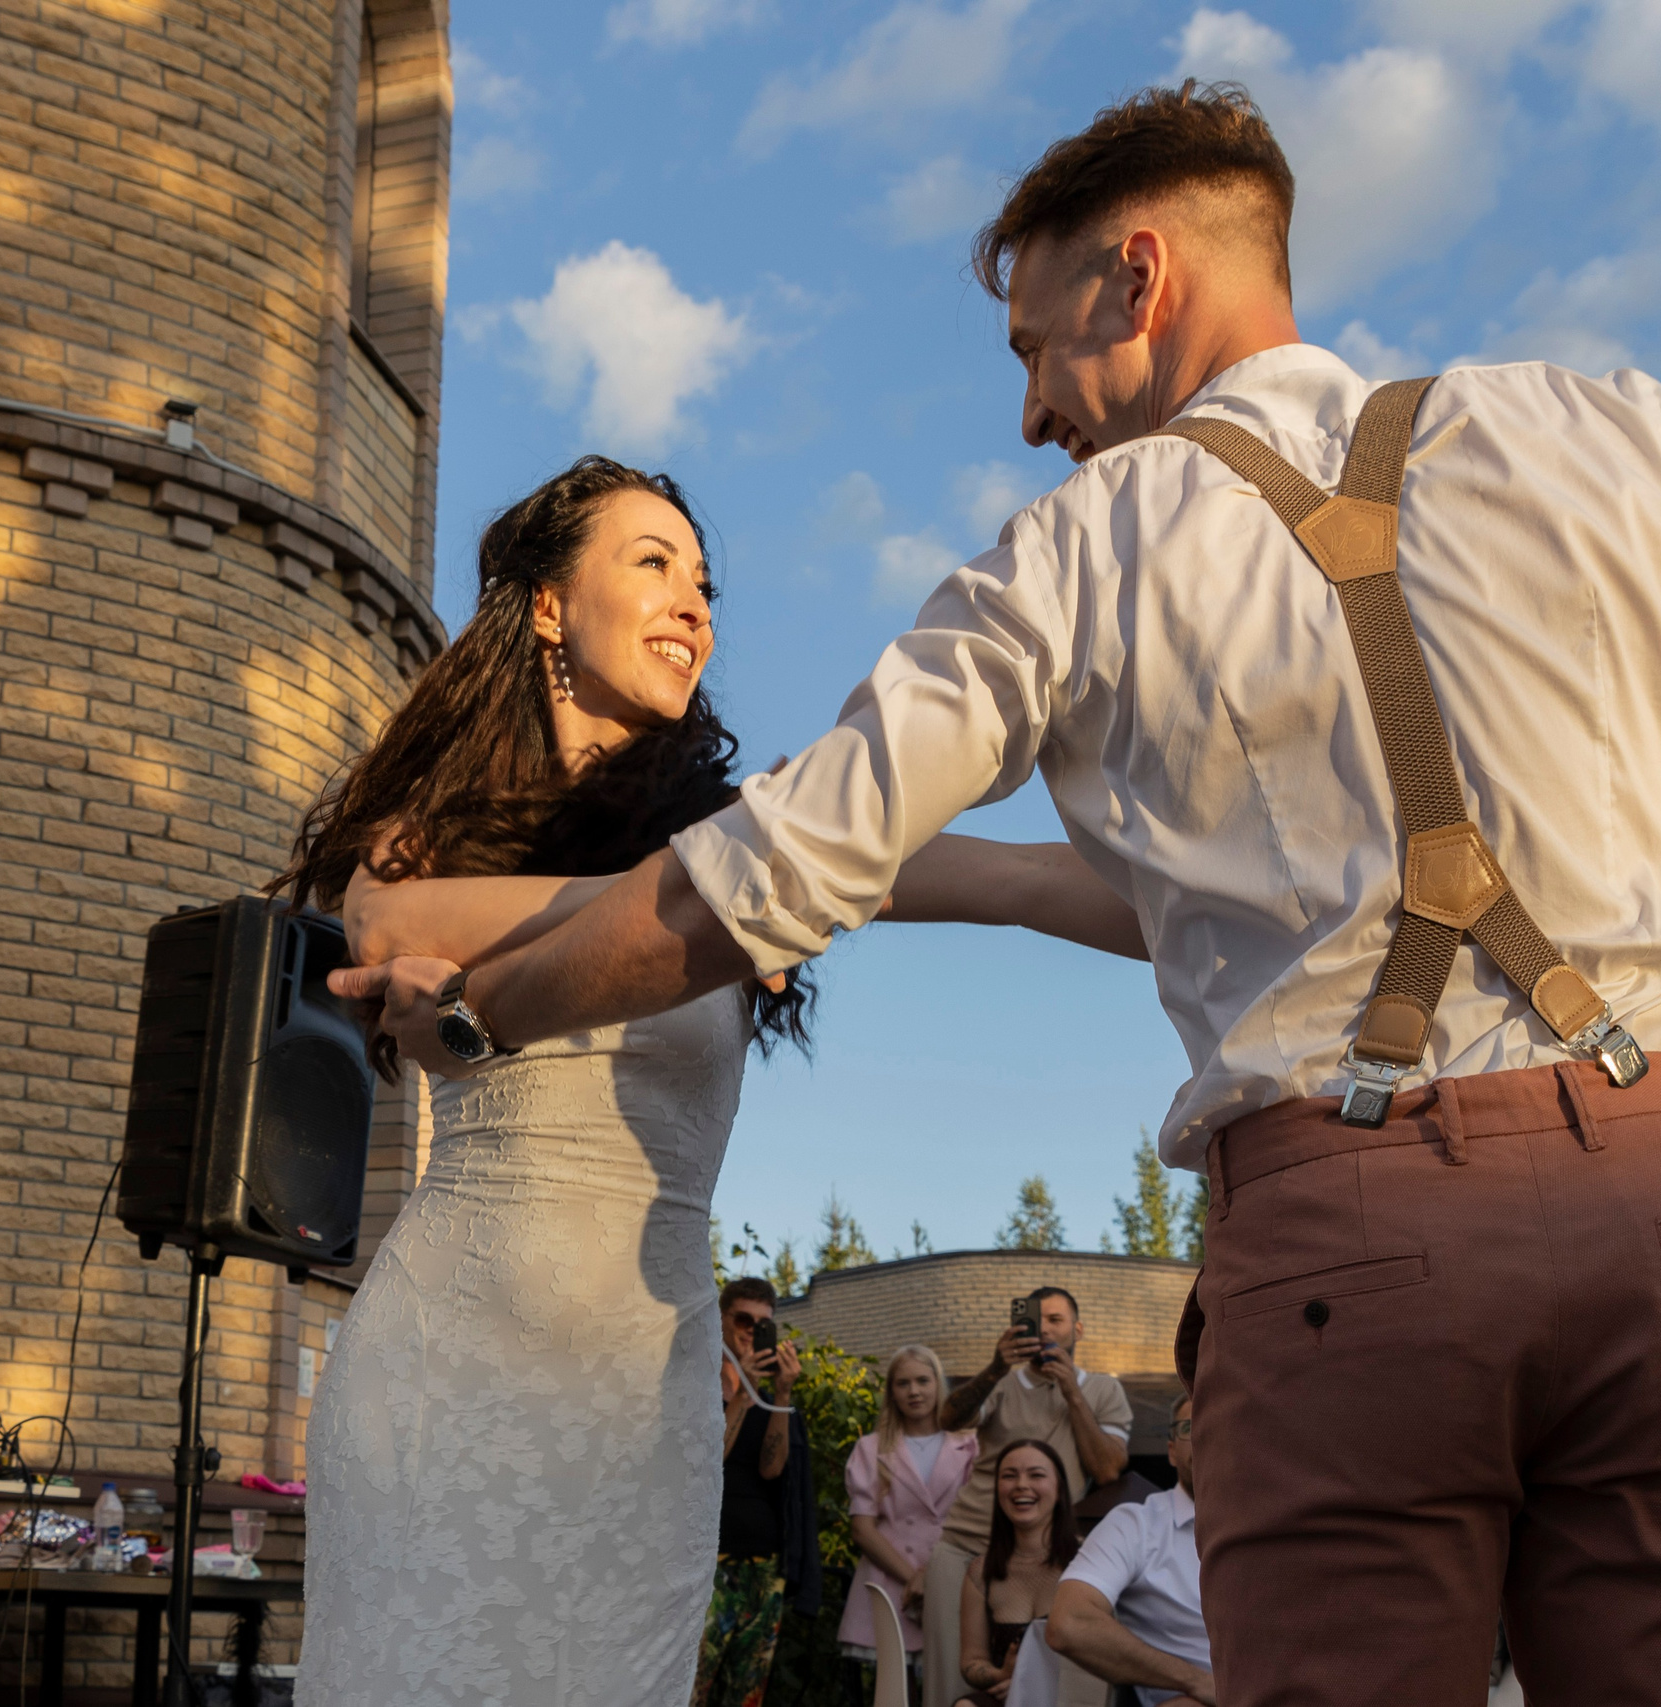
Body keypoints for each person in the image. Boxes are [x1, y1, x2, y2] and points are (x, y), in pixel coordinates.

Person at [334, 79, 1661, 1704]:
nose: (1029, 412)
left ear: (1136, 278)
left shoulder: (1084, 544)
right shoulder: (1601, 429)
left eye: (1032, 346)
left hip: (1356, 1247)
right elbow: (1126, 901)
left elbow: (784, 870)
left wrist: (486, 1005)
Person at [284, 457, 1114, 1706]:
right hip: (451, 1365)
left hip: (646, 1386)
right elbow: (389, 920)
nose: (694, 604)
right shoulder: (445, 842)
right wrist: (722, 891)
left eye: (705, 582)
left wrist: (1279, 893)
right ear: (548, 604)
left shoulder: (762, 841)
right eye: (653, 563)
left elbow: (1025, 883)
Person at [921, 1289, 1128, 1707]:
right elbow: (949, 1419)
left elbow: (1107, 1468)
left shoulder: (1103, 1390)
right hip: (966, 1544)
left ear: (1078, 1330)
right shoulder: (1002, 1383)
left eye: (1056, 1320)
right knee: (949, 1683)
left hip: (1041, 1554)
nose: (1045, 1329)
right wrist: (996, 1367)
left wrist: (1071, 1392)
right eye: (1037, 1319)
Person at [695, 1277, 821, 1707]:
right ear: (721, 1320)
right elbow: (707, 1464)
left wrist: (781, 1391)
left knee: (747, 1694)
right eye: (742, 1319)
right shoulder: (697, 1389)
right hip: (708, 1565)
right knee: (690, 1686)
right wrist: (743, 1396)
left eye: (762, 1323)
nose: (751, 1330)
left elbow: (772, 1467)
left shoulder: (769, 1398)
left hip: (763, 1566)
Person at [1048, 1395, 1212, 1706]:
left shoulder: (1274, 1528)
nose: (1205, 1435)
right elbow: (1070, 1623)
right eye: (1189, 1427)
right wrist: (1198, 1682)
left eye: (1217, 1423)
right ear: (1172, 1451)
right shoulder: (1136, 1526)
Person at [838, 1344, 976, 1694]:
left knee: (950, 1691)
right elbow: (862, 1529)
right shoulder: (870, 1448)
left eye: (922, 1381)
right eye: (903, 1383)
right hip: (891, 1584)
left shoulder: (971, 1445)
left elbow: (976, 1521)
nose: (914, 1391)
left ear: (938, 1384)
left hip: (951, 1581)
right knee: (893, 1694)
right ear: (891, 1392)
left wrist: (931, 1576)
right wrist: (914, 1578)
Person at [952, 1442, 1079, 1707]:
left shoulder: (1089, 1560)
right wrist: (1001, 1675)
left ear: (1059, 1489)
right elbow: (971, 1662)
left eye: (1036, 1475)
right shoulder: (981, 1572)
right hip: (1009, 1696)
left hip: (1071, 1695)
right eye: (1009, 1476)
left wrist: (1034, 1681)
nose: (1021, 1485)